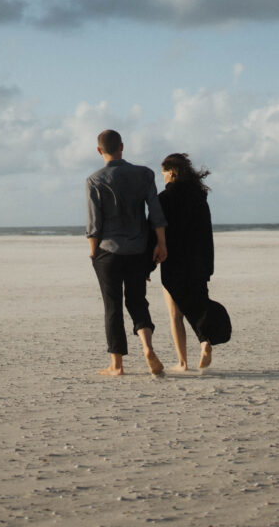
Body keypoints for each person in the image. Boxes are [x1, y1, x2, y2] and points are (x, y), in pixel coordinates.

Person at [86, 130, 168, 376]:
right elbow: (155, 214)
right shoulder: (144, 174)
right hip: (138, 249)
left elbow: (94, 225)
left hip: (108, 251)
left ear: (99, 150)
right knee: (137, 300)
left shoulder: (95, 180)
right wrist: (161, 244)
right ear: (122, 146)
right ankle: (147, 346)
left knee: (112, 306)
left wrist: (93, 254)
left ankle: (117, 365)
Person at [157, 153, 221, 371]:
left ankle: (182, 362)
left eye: (163, 174)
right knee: (197, 306)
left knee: (175, 313)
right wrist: (208, 266)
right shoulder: (199, 197)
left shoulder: (165, 198)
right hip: (199, 262)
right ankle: (204, 343)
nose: (163, 178)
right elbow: (207, 233)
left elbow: (158, 232)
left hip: (174, 261)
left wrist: (148, 262)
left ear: (172, 173)